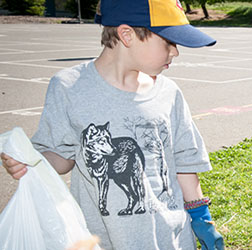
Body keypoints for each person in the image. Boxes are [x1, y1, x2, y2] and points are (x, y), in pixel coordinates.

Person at [0, 0, 225, 249]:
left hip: (171, 240)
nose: (175, 52)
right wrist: (32, 161)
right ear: (127, 34)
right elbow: (61, 156)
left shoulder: (169, 93)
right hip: (103, 241)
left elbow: (184, 163)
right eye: (168, 42)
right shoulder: (69, 88)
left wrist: (201, 219)